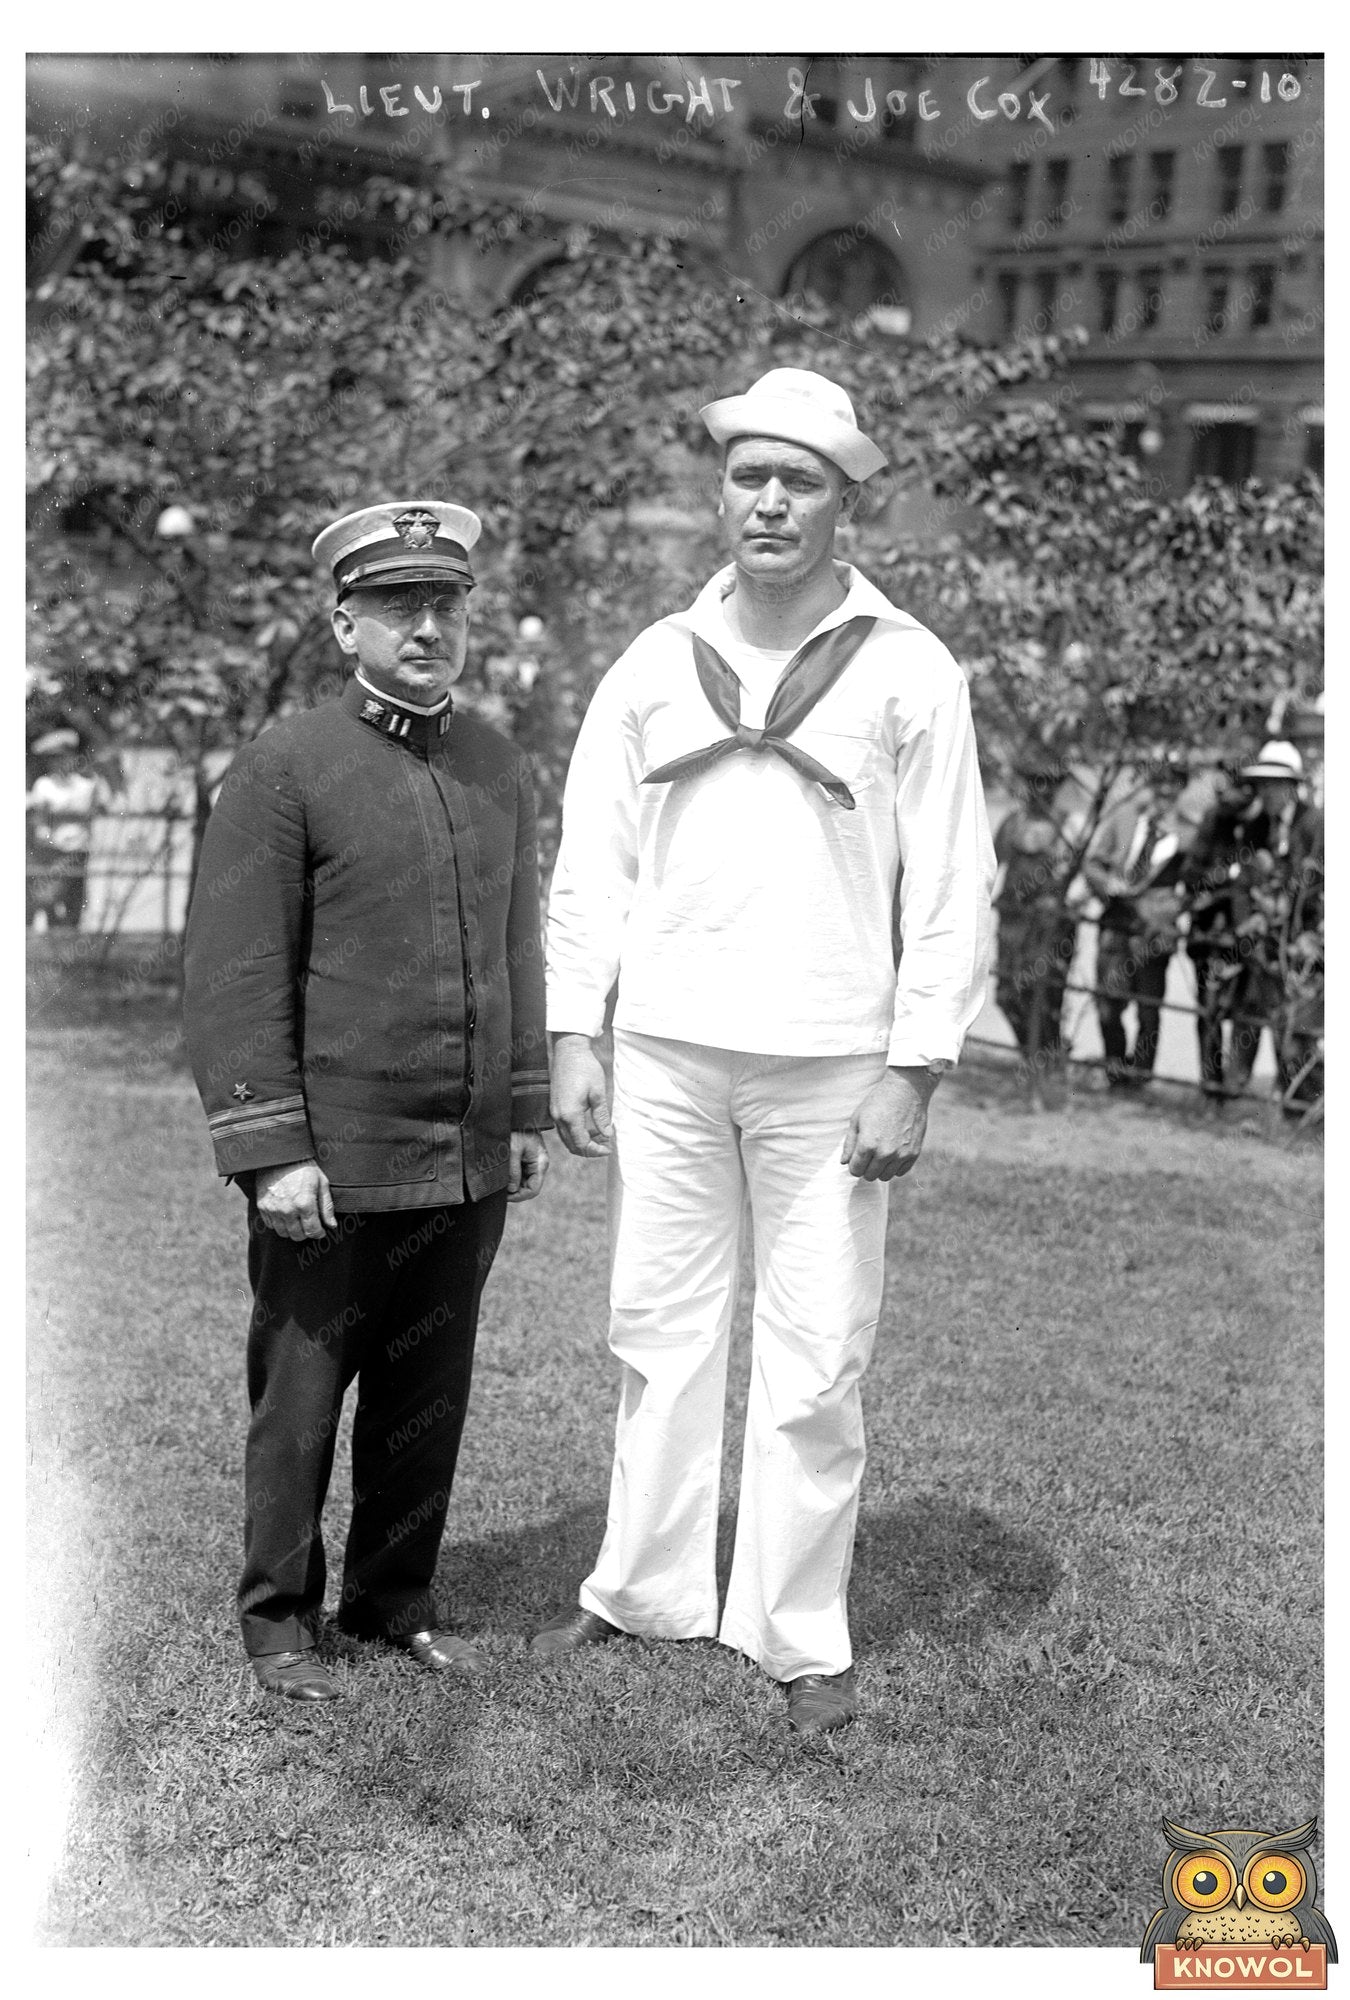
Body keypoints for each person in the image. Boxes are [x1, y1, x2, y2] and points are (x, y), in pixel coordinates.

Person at [536, 369, 994, 1735]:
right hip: (669, 1050)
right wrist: (575, 1029)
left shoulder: (908, 667)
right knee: (655, 1335)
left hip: (828, 1065)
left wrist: (911, 1067)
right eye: (749, 476)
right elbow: (592, 865)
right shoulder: (650, 658)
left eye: (801, 480)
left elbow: (950, 883)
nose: (771, 502)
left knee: (813, 1356)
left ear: (847, 500)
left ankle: (795, 1639)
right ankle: (641, 1596)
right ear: (718, 491)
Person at [183, 499, 551, 1702]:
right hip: (329, 1166)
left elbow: (517, 948)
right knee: (299, 1396)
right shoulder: (285, 767)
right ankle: (279, 1622)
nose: (428, 627)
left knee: (425, 1391)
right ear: (346, 622)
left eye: (446, 605)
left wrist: (525, 1105)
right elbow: (234, 972)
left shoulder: (498, 762)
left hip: (460, 1157)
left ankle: (394, 1604)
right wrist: (271, 1149)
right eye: (400, 607)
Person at [1182, 740, 1323, 1107]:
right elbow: (1243, 882)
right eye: (1263, 784)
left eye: (1276, 784)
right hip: (1259, 947)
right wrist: (1248, 927)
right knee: (1246, 1018)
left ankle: (1301, 1108)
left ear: (1293, 786)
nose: (1268, 792)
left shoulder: (1317, 825)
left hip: (1300, 947)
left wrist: (1309, 935)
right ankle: (1230, 1095)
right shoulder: (1257, 826)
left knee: (1295, 1031)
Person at [1083, 756, 1189, 1092]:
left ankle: (1140, 1078)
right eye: (1159, 782)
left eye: (1174, 783)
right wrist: (1106, 884)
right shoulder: (1123, 817)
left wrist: (1167, 910)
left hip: (1152, 934)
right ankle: (1115, 1070)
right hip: (1116, 924)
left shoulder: (1187, 834)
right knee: (1107, 1005)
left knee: (1148, 1010)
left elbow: (1195, 884)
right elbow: (1093, 864)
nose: (1165, 790)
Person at [992, 752, 1079, 1107]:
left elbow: (1082, 878)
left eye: (1049, 783)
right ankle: (1029, 1061)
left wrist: (1063, 900)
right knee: (1007, 995)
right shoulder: (1012, 823)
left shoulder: (1070, 826)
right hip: (1013, 924)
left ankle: (1046, 1078)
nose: (1042, 790)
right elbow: (990, 865)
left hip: (1050, 929)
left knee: (1045, 1000)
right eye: (1036, 781)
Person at [26, 728, 111, 929]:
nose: (58, 763)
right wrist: (45, 837)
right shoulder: (45, 785)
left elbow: (104, 806)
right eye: (53, 759)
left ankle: (69, 937)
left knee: (74, 900)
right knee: (49, 898)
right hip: (51, 850)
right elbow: (40, 820)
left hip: (78, 850)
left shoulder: (86, 786)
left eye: (63, 757)